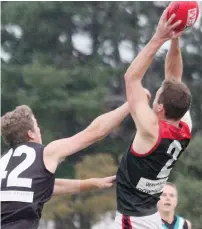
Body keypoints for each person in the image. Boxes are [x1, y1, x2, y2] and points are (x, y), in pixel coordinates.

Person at [114, 8, 192, 229]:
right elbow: (174, 78)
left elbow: (131, 78)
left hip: (134, 218)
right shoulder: (185, 126)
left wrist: (159, 38)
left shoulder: (151, 129)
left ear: (158, 107)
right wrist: (175, 39)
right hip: (149, 214)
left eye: (157, 94)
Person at [0, 102, 129, 229]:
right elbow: (94, 132)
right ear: (31, 133)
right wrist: (132, 103)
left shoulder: (3, 163)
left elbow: (46, 186)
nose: (40, 130)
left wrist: (93, 183)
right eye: (37, 126)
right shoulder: (45, 153)